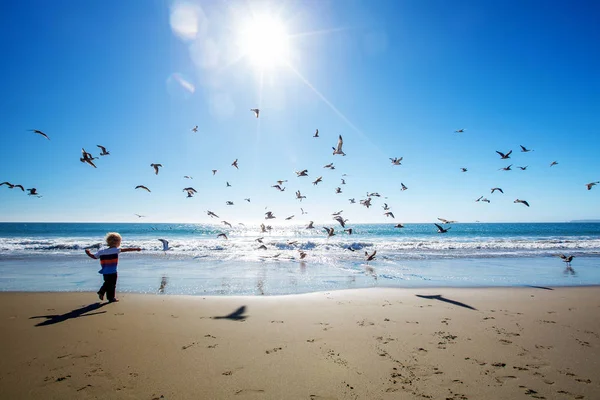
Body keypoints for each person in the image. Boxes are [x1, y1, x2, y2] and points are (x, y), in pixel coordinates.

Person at [85, 232, 141, 302]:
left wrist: (88, 253)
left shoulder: (102, 251)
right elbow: (126, 249)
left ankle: (108, 296)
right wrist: (136, 249)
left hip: (105, 271)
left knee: (107, 282)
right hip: (112, 271)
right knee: (112, 284)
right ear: (117, 242)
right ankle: (106, 295)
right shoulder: (116, 250)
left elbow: (94, 257)